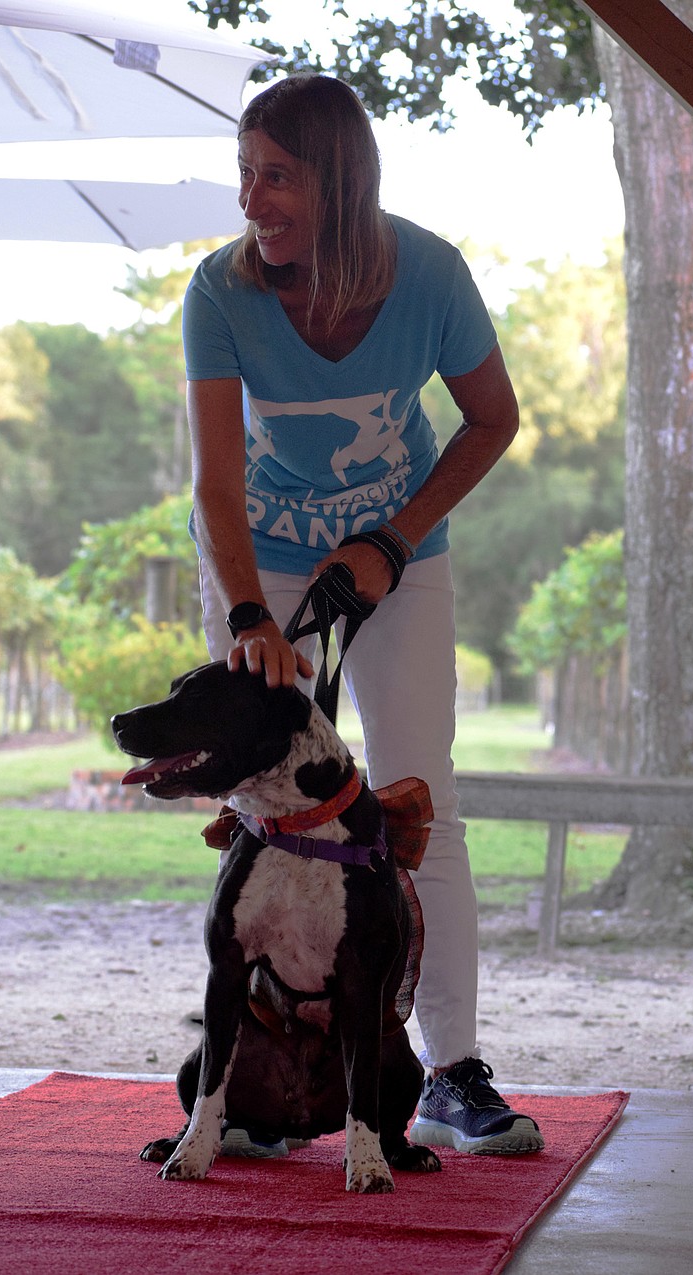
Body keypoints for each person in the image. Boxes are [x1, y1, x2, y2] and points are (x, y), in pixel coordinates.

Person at [182, 72, 544, 1157]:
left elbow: (491, 420)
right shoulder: (220, 292)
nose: (252, 201)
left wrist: (389, 541)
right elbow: (213, 485)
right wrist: (250, 611)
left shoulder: (427, 273)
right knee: (263, 814)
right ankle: (253, 1080)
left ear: (338, 181)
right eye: (244, 175)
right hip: (267, 566)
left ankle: (453, 1071)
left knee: (414, 798)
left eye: (276, 177)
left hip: (399, 561)